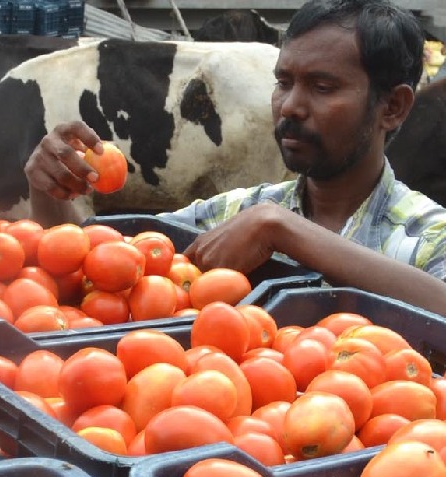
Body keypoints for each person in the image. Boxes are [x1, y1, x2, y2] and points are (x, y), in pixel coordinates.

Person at [24, 0, 446, 315]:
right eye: (284, 82)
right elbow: (104, 276)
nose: (290, 107)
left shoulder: (426, 236)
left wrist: (284, 230)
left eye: (322, 87)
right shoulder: (235, 212)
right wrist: (52, 192)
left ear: (392, 107)